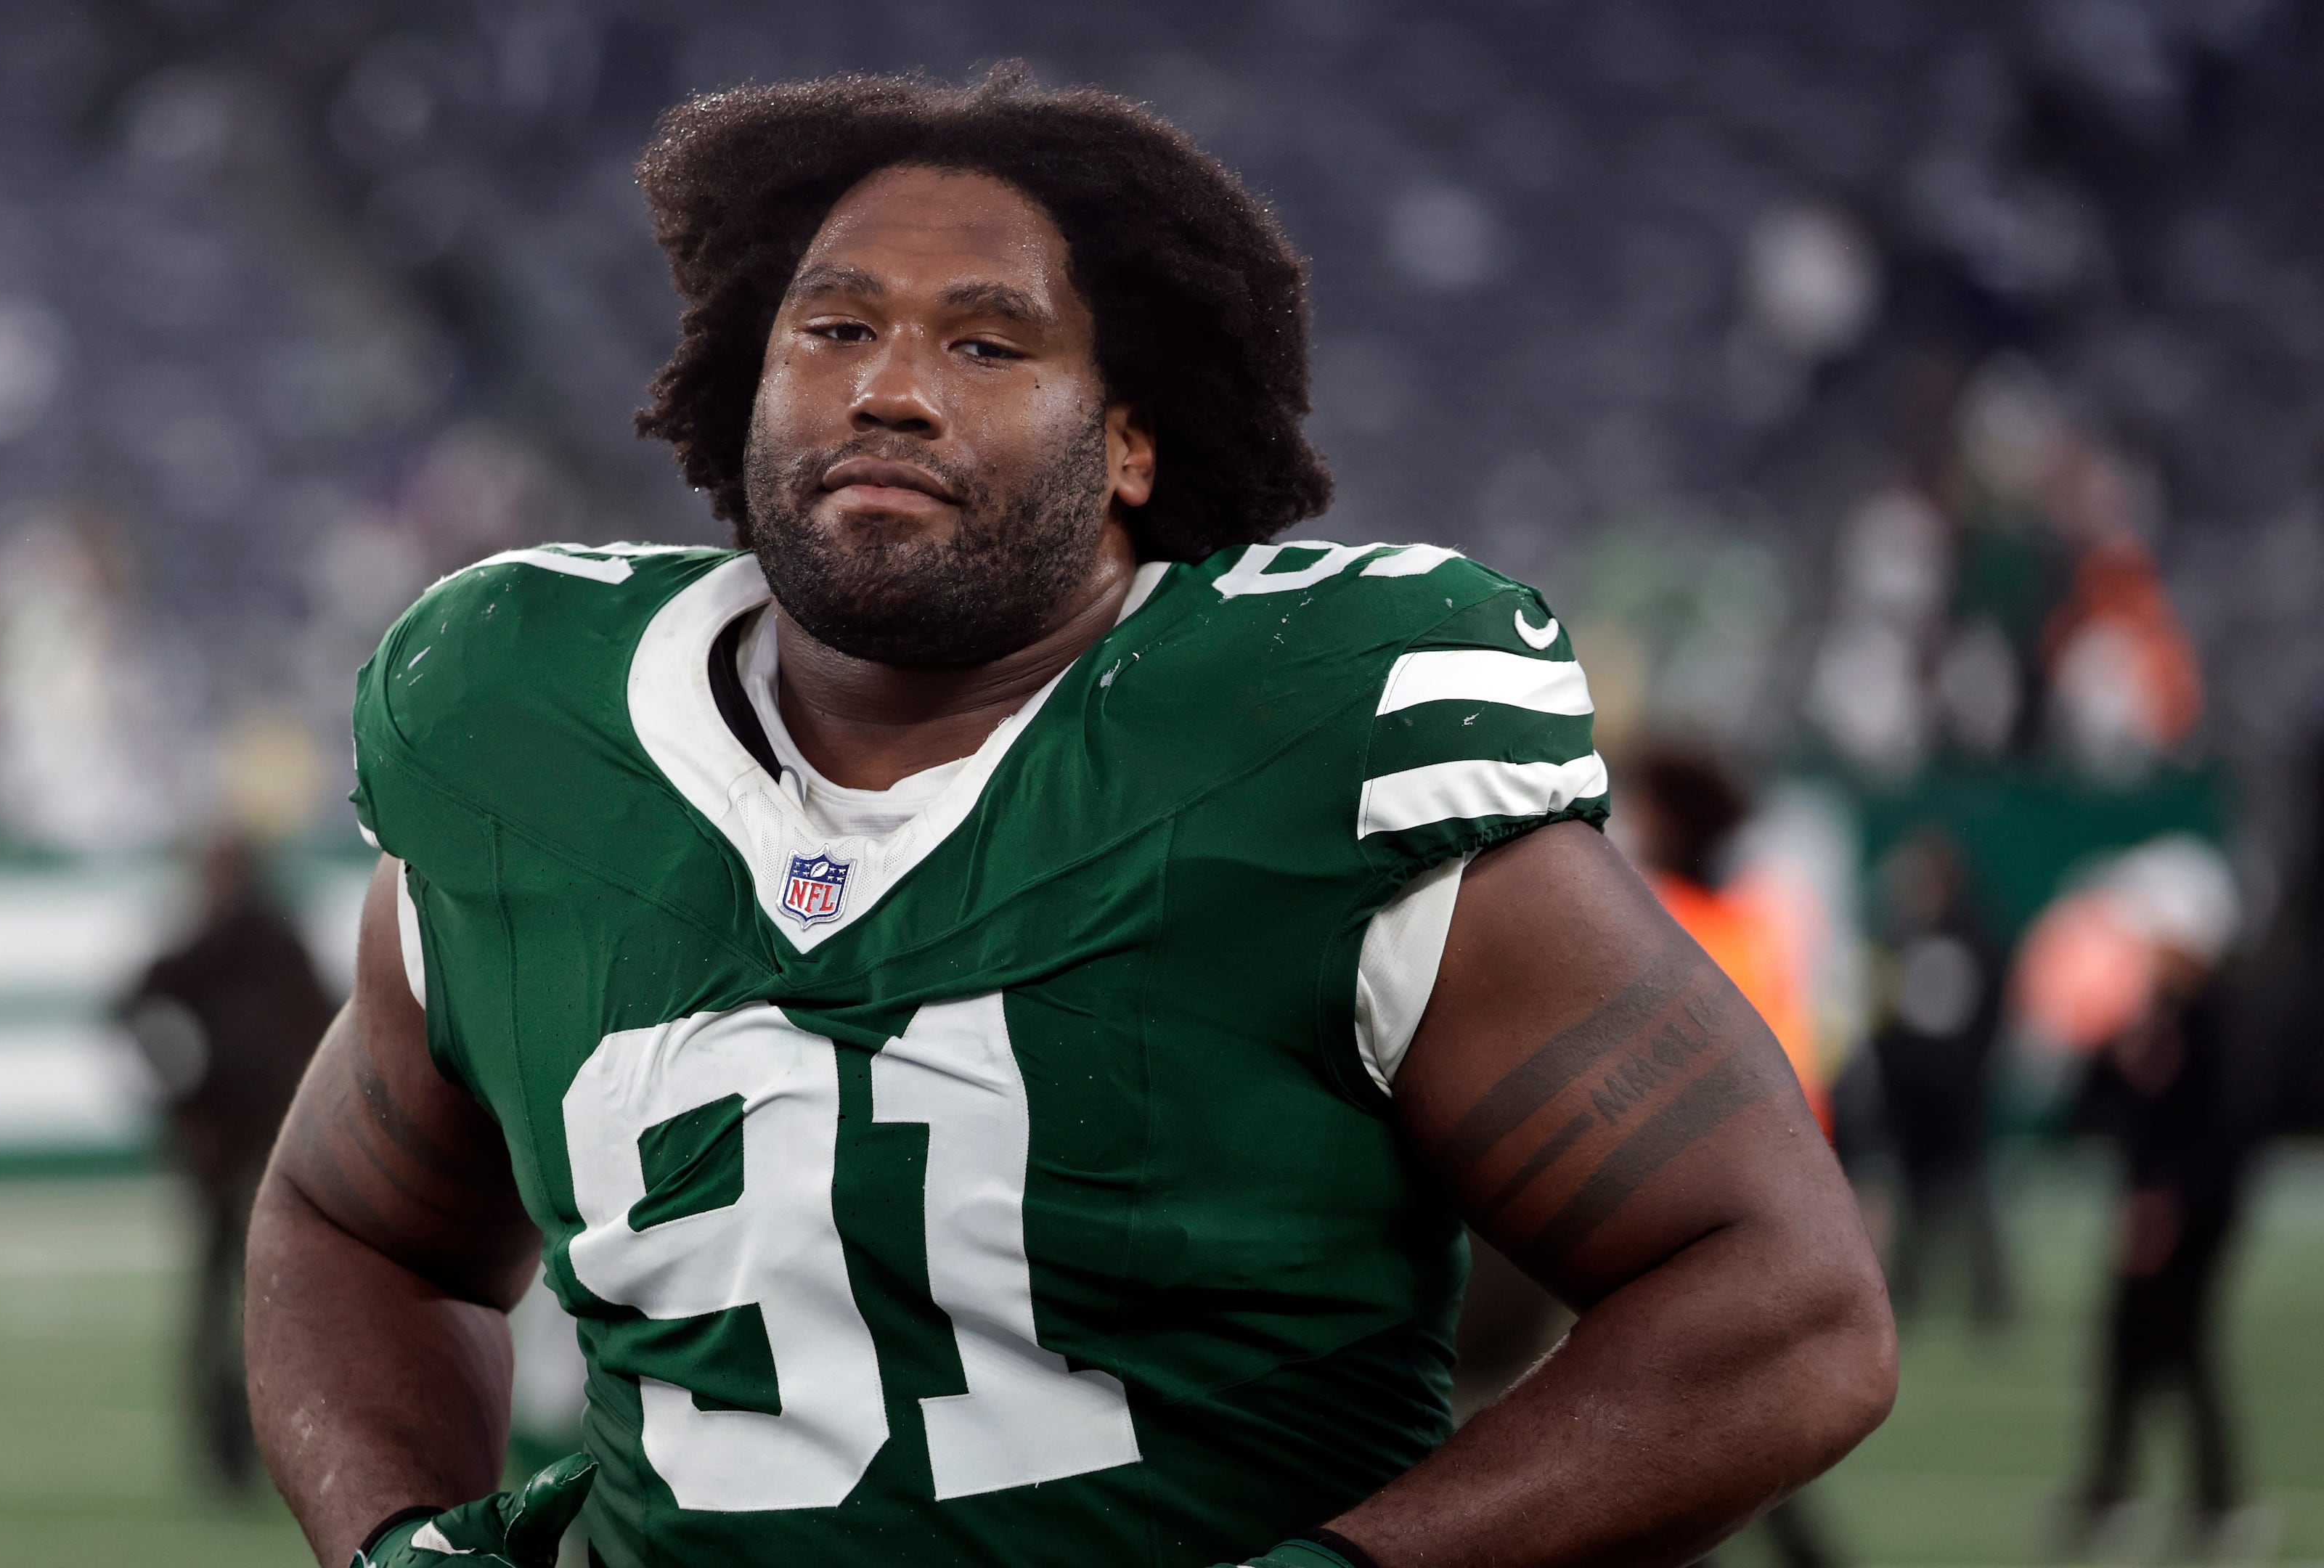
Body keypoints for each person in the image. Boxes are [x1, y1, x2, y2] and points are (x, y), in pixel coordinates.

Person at [247, 68, 1896, 1568]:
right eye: (832, 329)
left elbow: (1781, 1304)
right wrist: (395, 1541)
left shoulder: (1297, 743)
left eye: (982, 340)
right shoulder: (526, 731)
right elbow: (352, 1225)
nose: (888, 390)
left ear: (1125, 443)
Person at [1613, 744, 1848, 1568]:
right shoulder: (1753, 917)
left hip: (1689, 1197)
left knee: (1688, 1415)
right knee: (1725, 1409)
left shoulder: (1660, 911)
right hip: (1768, 1187)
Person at [2063, 839, 2264, 1559]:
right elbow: (2099, 1102)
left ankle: (2217, 1499)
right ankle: (2113, 1487)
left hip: (2192, 1216)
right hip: (2154, 1208)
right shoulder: (2158, 1011)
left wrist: (2169, 1201)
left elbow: (2224, 1127)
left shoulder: (2220, 1016)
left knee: (2182, 1348)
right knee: (2127, 1347)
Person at [121, 827, 333, 1491]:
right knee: (265, 1300)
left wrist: (181, 1103)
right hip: (265, 1149)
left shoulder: (217, 945)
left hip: (238, 1149)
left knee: (233, 1299)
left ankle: (228, 1448)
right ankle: (246, 1446)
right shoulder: (272, 945)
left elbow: (135, 1010)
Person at [1869, 830, 2010, 1323]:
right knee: (1908, 1198)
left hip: (1959, 1095)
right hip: (1909, 1097)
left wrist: (1964, 1074)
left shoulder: (1975, 941)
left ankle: (1990, 1297)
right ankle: (1904, 1292)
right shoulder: (1895, 942)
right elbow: (1882, 1018)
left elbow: (1990, 1016)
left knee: (1971, 1195)